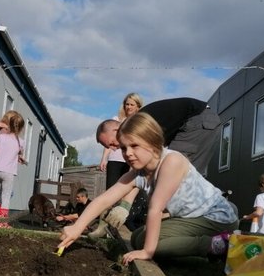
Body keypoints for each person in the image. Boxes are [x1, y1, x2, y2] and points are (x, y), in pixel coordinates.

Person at [58, 112, 239, 265]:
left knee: (146, 243)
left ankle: (218, 245)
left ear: (153, 143)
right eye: (123, 148)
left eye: (134, 145)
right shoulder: (139, 172)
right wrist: (78, 226)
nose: (127, 153)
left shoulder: (171, 161)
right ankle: (205, 244)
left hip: (215, 217)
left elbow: (156, 208)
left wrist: (148, 252)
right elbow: (104, 199)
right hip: (193, 216)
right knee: (137, 238)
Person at [95, 97, 222, 233]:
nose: (114, 149)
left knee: (174, 176)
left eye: (111, 143)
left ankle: (177, 231)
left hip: (197, 121)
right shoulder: (138, 125)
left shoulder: (138, 126)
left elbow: (139, 170)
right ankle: (173, 229)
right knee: (172, 177)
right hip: (197, 123)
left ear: (116, 131)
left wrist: (125, 205)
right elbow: (143, 170)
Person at [91, 93, 143, 237]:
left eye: (132, 104)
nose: (129, 107)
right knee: (111, 191)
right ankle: (104, 225)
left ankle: (122, 224)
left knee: (130, 188)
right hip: (116, 161)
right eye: (127, 104)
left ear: (138, 106)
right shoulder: (116, 121)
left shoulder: (140, 122)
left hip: (132, 162)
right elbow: (108, 143)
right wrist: (104, 159)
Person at [0, 110, 26, 228]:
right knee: (6, 195)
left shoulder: (2, 136)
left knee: (0, 193)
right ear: (20, 128)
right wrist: (19, 158)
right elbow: (20, 154)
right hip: (8, 172)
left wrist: (0, 151)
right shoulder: (21, 141)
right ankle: (2, 221)